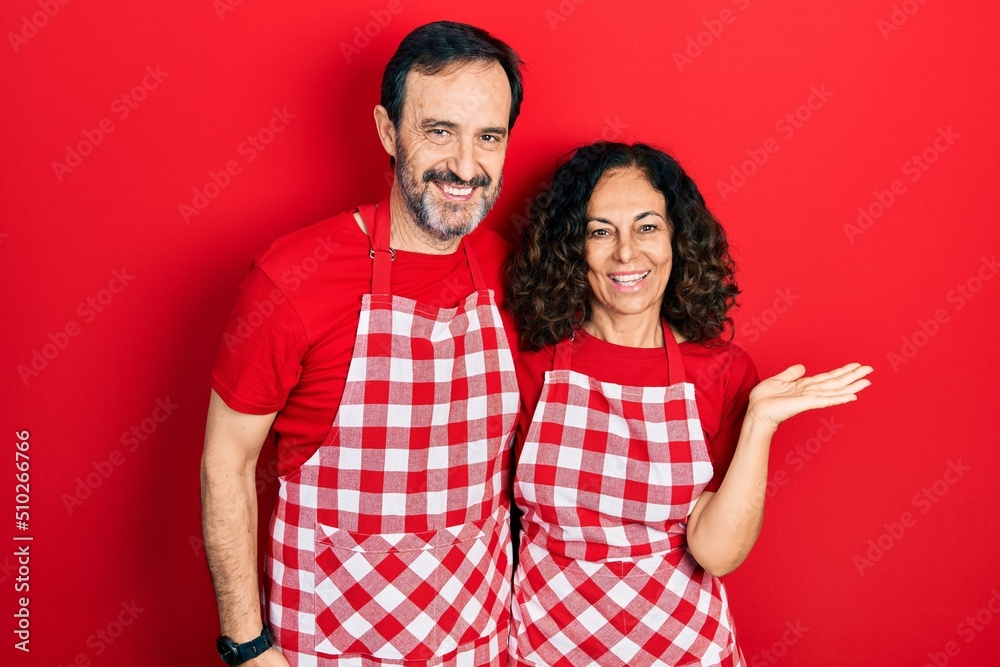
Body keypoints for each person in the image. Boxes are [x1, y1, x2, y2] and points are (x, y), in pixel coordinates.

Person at [200, 22, 525, 666]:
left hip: (477, 644)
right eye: (439, 131)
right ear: (386, 130)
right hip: (328, 647)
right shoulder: (291, 278)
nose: (466, 166)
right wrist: (247, 646)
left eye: (488, 137)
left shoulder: (511, 273)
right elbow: (225, 467)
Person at [505, 142, 872, 666]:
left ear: (678, 237)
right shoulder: (530, 362)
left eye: (647, 226)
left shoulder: (721, 371)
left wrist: (759, 424)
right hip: (547, 649)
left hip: (683, 648)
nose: (626, 253)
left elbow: (716, 554)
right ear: (571, 246)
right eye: (600, 231)